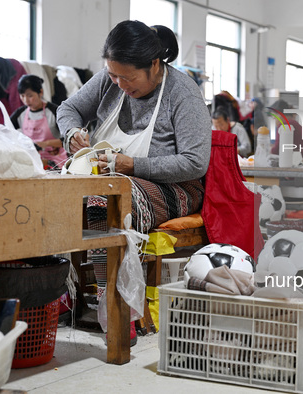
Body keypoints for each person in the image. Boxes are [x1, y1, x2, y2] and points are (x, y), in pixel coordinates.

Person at [57, 21, 211, 304]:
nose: (120, 84)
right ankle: (62, 295)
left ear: (154, 65)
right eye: (114, 76)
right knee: (48, 191)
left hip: (175, 187)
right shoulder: (110, 78)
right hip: (114, 177)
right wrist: (71, 134)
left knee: (105, 200)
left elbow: (195, 163)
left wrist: (133, 166)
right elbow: (69, 108)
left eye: (128, 78)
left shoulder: (183, 94)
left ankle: (112, 305)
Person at [11, 74, 67, 168]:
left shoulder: (54, 111)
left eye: (30, 96)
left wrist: (46, 144)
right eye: (22, 96)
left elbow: (68, 139)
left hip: (55, 162)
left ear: (40, 92)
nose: (26, 100)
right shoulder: (20, 113)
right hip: (31, 160)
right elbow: (5, 131)